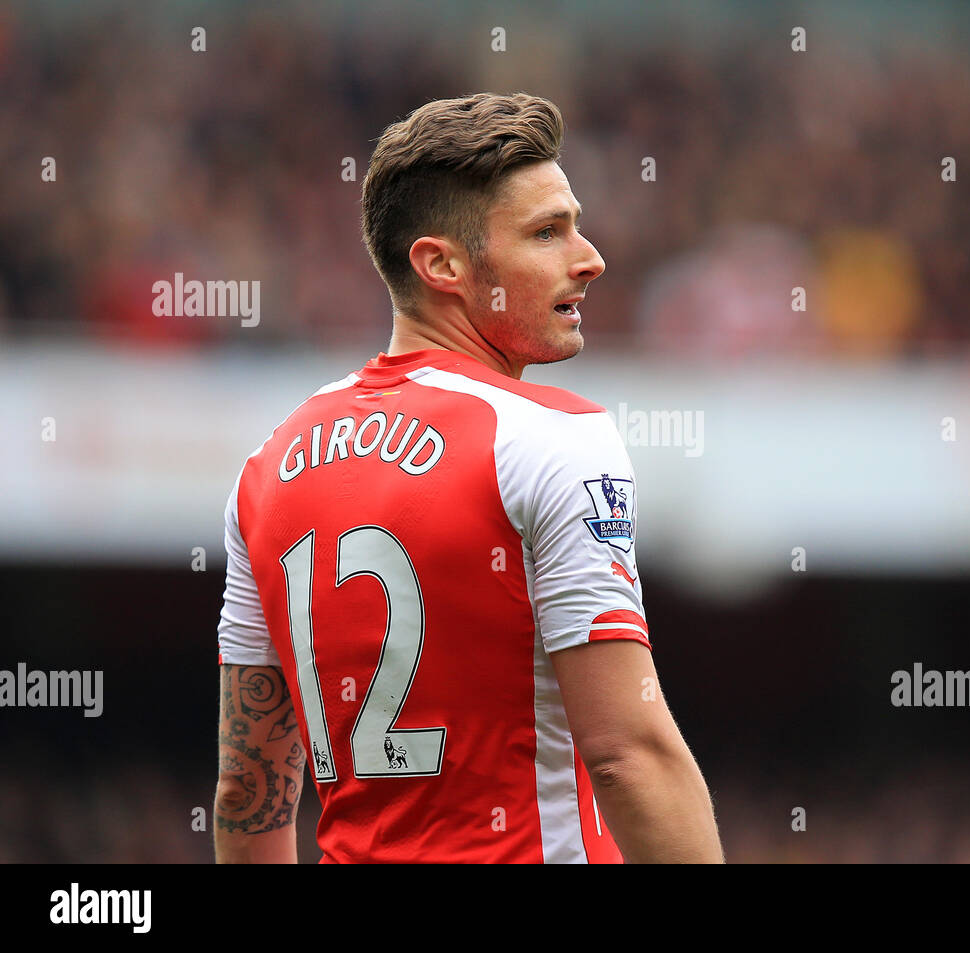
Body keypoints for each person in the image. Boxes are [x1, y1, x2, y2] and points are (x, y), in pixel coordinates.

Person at [212, 92, 724, 863]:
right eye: (548, 232)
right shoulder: (554, 437)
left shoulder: (267, 467)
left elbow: (247, 799)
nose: (590, 258)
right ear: (442, 265)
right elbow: (629, 755)